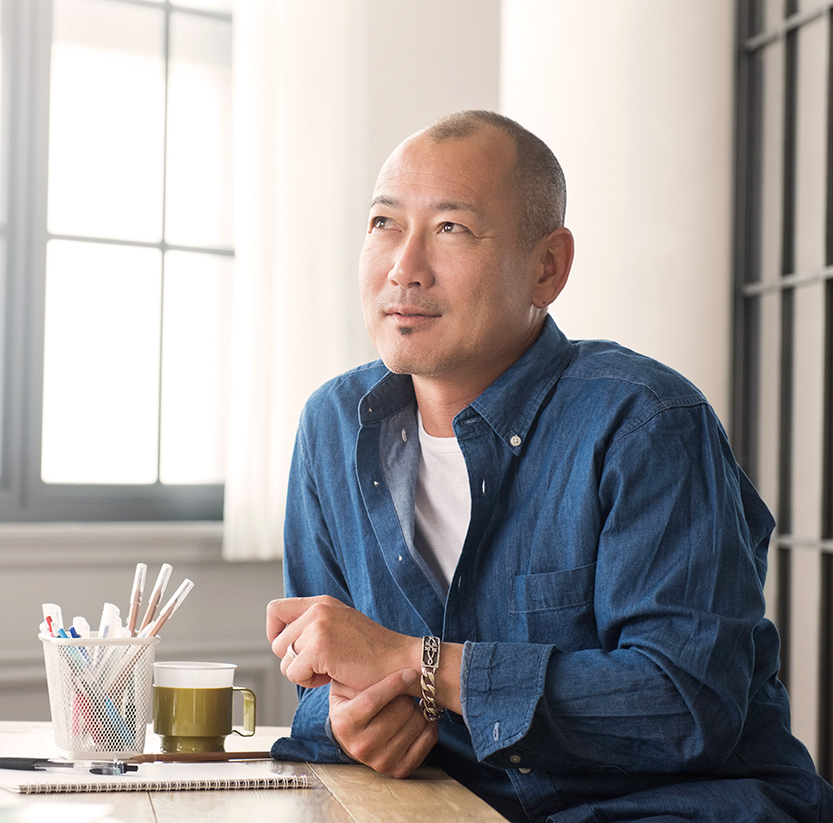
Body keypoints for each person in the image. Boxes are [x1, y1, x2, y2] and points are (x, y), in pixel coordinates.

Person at [264, 109, 833, 822]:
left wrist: (423, 665)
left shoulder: (645, 421)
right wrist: (350, 720)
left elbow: (686, 702)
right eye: (384, 223)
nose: (403, 268)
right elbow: (325, 677)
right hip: (449, 805)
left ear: (547, 267)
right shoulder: (333, 426)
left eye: (450, 229)